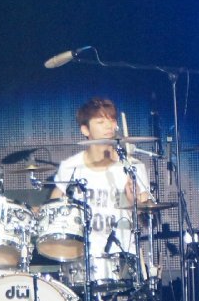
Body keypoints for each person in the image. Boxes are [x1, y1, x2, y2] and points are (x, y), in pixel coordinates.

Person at [52, 97, 152, 285]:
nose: (108, 125)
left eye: (112, 120)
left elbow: (147, 221)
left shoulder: (133, 167)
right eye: (100, 121)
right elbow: (52, 210)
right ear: (85, 130)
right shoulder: (70, 167)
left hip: (122, 258)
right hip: (82, 260)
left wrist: (135, 202)